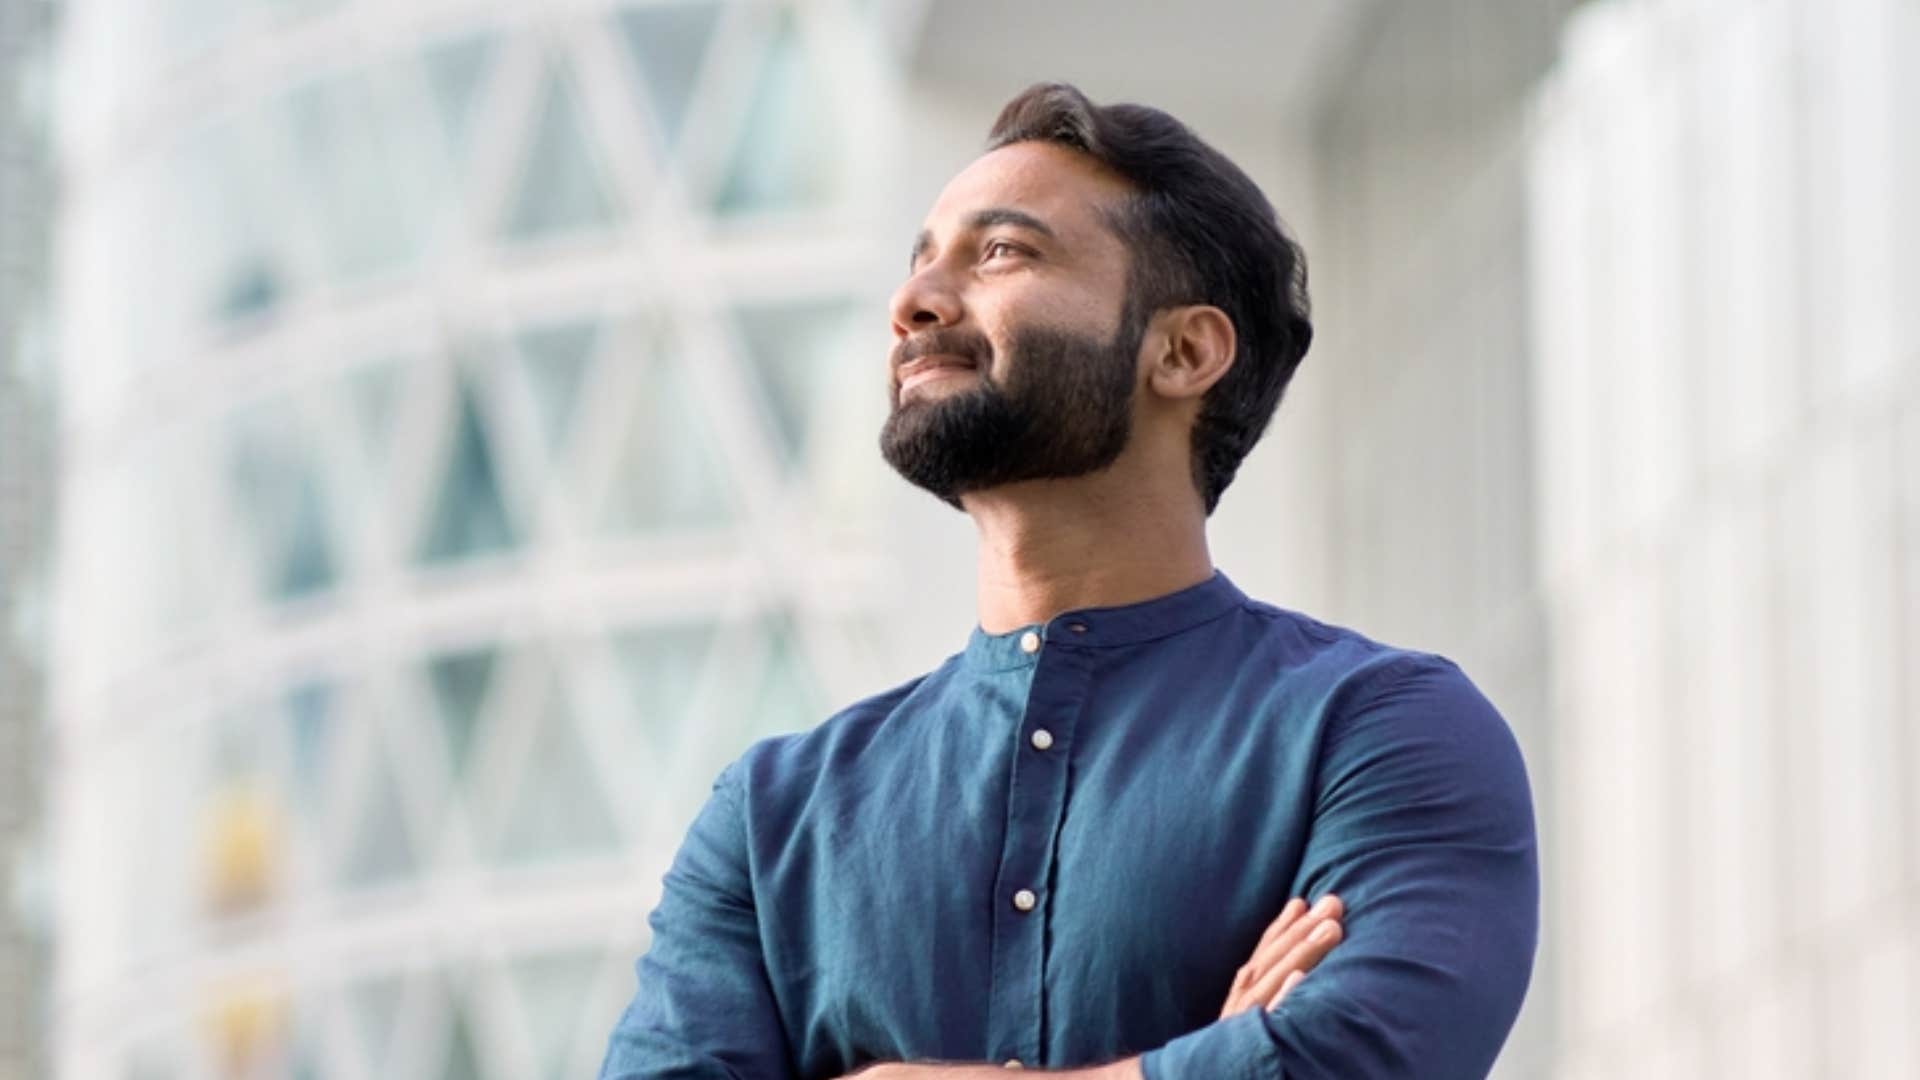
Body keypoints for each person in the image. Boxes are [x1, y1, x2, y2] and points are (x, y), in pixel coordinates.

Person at [598, 82, 1537, 1080]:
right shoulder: (771, 816)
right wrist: (1213, 1059)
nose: (911, 303)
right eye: (920, 262)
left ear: (1181, 351)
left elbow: (1360, 1062)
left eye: (1000, 251)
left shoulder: (1382, 730)